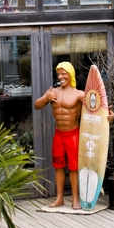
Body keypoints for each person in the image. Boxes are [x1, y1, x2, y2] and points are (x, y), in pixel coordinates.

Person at [35, 62, 84, 209]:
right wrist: (46, 98)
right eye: (59, 74)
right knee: (58, 166)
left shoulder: (79, 94)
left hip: (73, 135)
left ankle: (75, 199)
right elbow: (37, 105)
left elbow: (96, 108)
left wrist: (108, 116)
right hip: (59, 135)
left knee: (74, 168)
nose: (61, 76)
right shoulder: (53, 92)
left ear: (70, 75)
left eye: (64, 73)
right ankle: (59, 198)